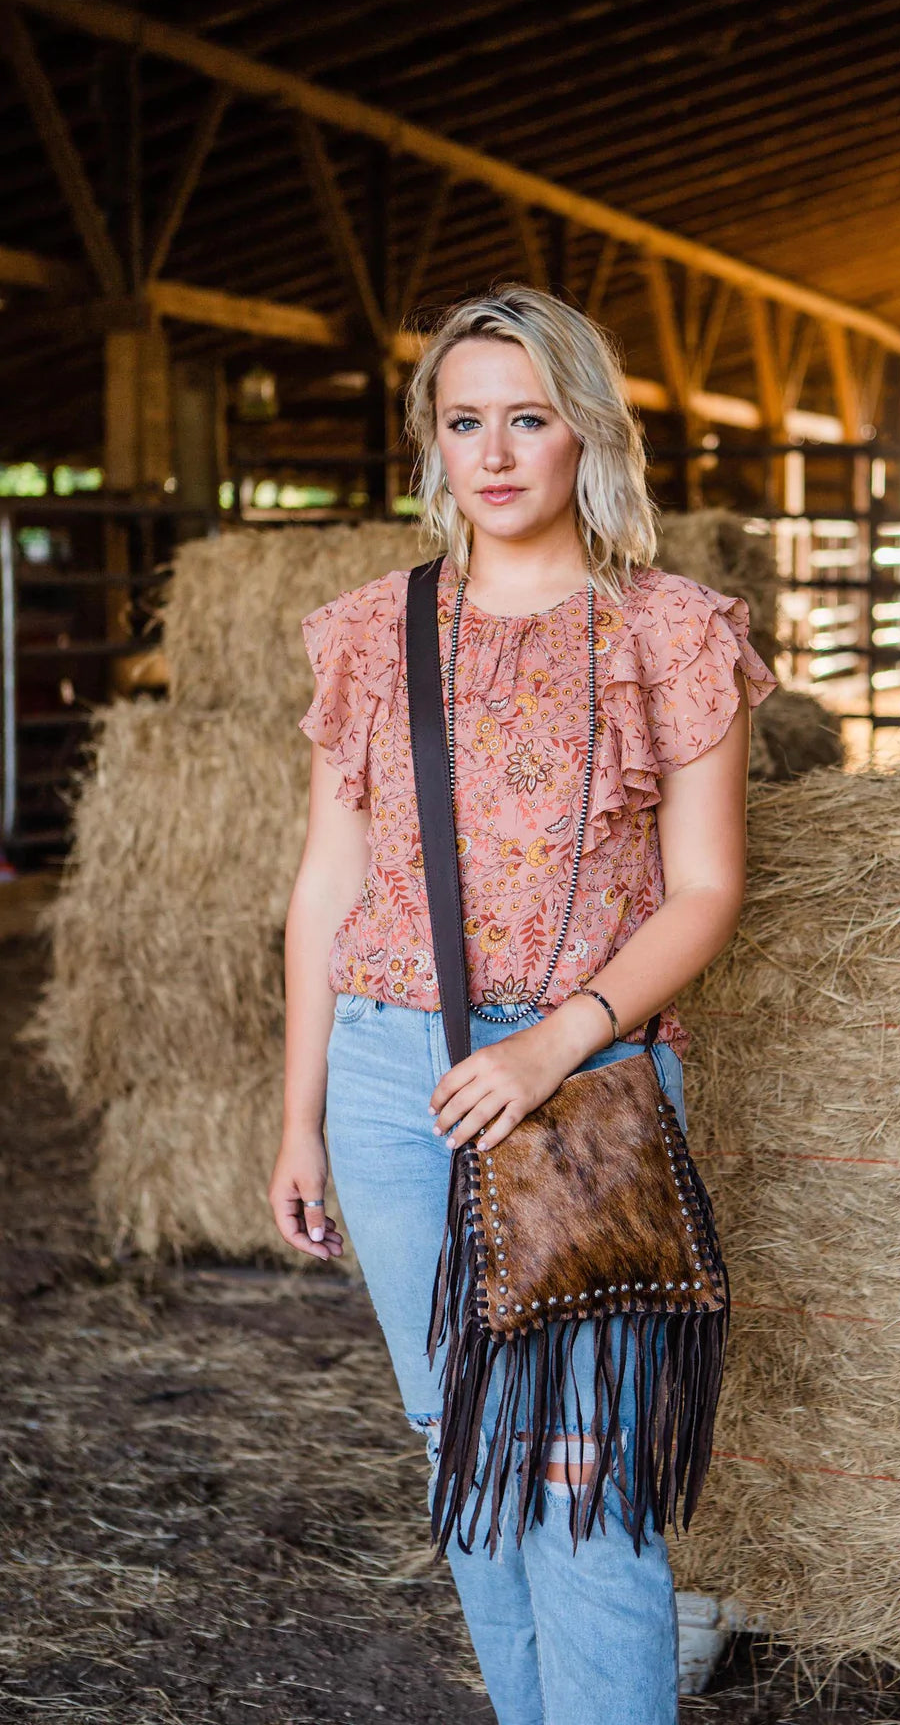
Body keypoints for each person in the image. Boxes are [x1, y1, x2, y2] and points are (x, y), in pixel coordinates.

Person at [269, 283, 778, 1725]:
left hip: (580, 1089)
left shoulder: (665, 631)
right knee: (466, 1460)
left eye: (528, 419)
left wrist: (555, 1039)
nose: (493, 454)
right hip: (385, 1077)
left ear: (585, 436)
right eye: (463, 420)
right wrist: (296, 1112)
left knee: (579, 1474)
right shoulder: (372, 632)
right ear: (433, 443)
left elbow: (704, 891)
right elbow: (325, 884)